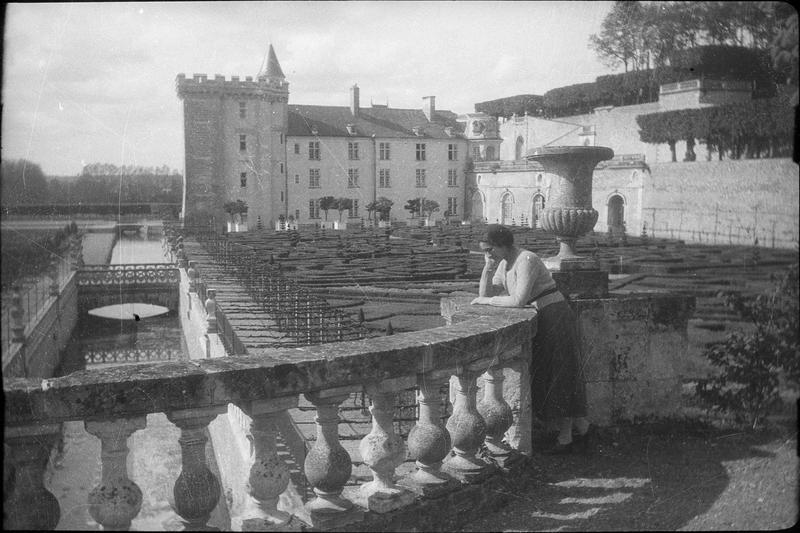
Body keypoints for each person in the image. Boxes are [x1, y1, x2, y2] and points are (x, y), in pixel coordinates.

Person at [471, 224, 590, 454]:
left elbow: (518, 300)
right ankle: (582, 428)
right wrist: (487, 268)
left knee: (561, 372)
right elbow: (484, 295)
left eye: (490, 250)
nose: (489, 254)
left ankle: (566, 438)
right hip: (542, 318)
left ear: (503, 244)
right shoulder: (504, 263)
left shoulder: (526, 259)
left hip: (555, 316)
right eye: (485, 251)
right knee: (549, 373)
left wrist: (486, 302)